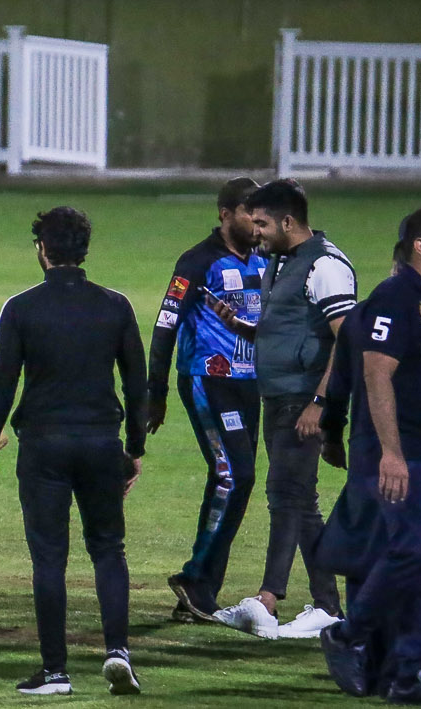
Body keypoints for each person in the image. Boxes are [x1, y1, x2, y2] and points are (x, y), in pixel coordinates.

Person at [0, 206, 148, 696]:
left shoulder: (21, 308)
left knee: (49, 558)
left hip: (43, 445)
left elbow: (1, 386)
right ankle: (118, 651)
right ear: (84, 250)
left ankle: (54, 673)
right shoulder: (115, 306)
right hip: (100, 441)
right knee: (108, 549)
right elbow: (137, 386)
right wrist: (134, 448)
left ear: (42, 250)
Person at [320, 206, 421, 704]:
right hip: (411, 453)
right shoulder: (394, 297)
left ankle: (409, 674)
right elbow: (376, 373)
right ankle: (348, 634)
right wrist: (391, 453)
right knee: (414, 552)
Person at [212, 179, 352, 640]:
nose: (255, 232)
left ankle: (267, 600)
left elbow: (347, 339)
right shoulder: (282, 261)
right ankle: (327, 606)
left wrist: (321, 403)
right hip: (277, 396)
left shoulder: (326, 265)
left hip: (302, 398)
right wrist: (245, 328)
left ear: (288, 221)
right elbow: (294, 329)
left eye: (262, 223)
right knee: (301, 503)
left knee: (284, 494)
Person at [147, 177, 265, 623]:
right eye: (250, 213)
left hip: (250, 384)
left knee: (236, 479)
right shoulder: (197, 261)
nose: (257, 222)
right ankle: (196, 578)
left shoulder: (265, 258)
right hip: (208, 380)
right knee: (234, 475)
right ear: (225, 214)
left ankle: (197, 594)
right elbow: (165, 325)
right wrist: (155, 392)